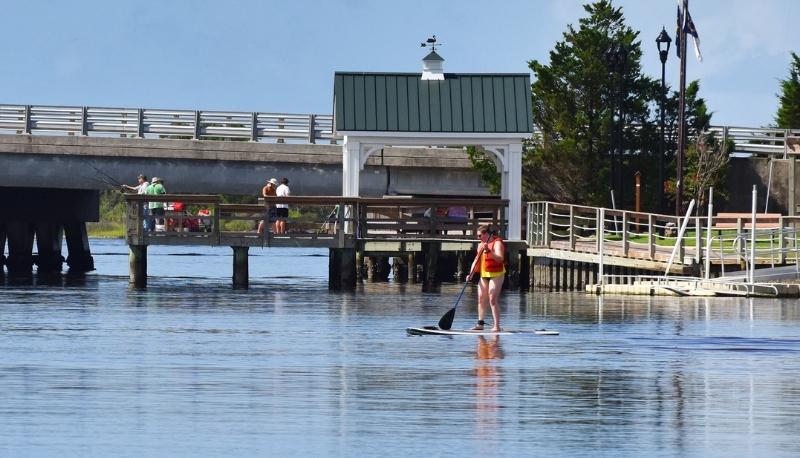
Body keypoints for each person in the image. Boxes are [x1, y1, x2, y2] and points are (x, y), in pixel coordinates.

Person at [467, 224, 505, 331]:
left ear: (486, 234)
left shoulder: (497, 243)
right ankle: (480, 324)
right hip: (484, 274)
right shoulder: (480, 245)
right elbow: (476, 260)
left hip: (496, 274)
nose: (478, 238)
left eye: (479, 236)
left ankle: (497, 326)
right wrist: (471, 273)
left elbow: (500, 259)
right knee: (481, 298)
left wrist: (488, 251)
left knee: (492, 299)